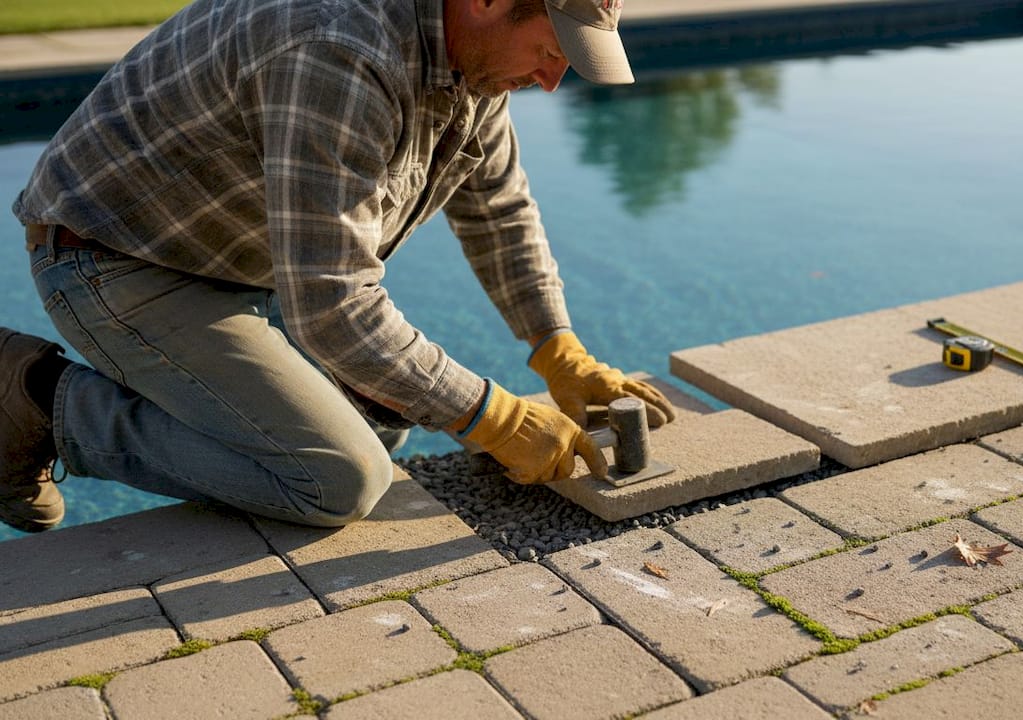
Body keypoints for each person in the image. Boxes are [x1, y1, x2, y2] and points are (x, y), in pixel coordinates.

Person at [1, 0, 675, 534]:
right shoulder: (339, 49)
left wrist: (558, 349)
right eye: (552, 52)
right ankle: (37, 402)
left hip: (237, 265)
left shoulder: (471, 60)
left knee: (388, 413)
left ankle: (195, 389)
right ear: (486, 2)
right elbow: (332, 303)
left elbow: (497, 206)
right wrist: (495, 417)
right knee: (338, 478)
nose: (553, 82)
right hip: (115, 260)